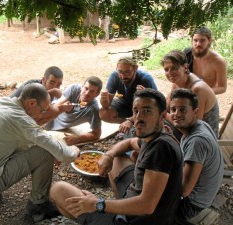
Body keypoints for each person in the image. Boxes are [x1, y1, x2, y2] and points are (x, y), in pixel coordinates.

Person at [50, 88, 183, 225]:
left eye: (147, 111)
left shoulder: (161, 148)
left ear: (162, 116)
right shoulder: (157, 135)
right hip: (139, 199)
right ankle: (116, 205)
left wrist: (98, 204)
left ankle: (102, 217)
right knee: (117, 157)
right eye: (136, 111)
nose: (139, 117)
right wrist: (109, 155)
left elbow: (147, 206)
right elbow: (130, 142)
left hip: (136, 219)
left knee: (58, 190)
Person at [0, 83, 80, 223]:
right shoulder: (20, 120)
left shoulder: (3, 102)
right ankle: (38, 205)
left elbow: (26, 140)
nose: (42, 114)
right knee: (44, 152)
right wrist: (73, 151)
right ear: (32, 103)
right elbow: (64, 154)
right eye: (42, 110)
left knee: (34, 146)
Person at [169, 88, 224, 223]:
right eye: (173, 109)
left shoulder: (197, 141)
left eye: (183, 109)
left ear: (195, 112)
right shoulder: (201, 124)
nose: (176, 114)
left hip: (193, 204)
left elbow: (183, 190)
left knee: (149, 210)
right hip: (205, 195)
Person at [161, 49, 219, 137]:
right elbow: (167, 107)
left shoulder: (198, 89)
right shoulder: (177, 83)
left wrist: (161, 113)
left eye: (174, 68)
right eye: (166, 69)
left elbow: (192, 125)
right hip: (184, 127)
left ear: (185, 67)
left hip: (201, 136)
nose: (170, 73)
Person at [99, 56, 157, 134]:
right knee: (103, 113)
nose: (123, 76)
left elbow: (156, 106)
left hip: (141, 108)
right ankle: (130, 124)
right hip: (124, 103)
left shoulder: (146, 79)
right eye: (120, 72)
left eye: (127, 72)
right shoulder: (115, 76)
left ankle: (134, 123)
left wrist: (146, 97)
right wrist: (104, 100)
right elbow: (105, 106)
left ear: (135, 68)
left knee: (149, 115)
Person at [44, 76, 102, 146]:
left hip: (60, 126)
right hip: (48, 112)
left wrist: (77, 138)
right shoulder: (74, 88)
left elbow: (97, 134)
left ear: (97, 94)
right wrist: (62, 108)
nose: (87, 93)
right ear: (82, 87)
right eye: (86, 88)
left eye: (92, 91)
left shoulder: (93, 110)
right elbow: (54, 107)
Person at [184, 27, 227, 95]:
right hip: (186, 97)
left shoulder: (218, 61)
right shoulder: (186, 55)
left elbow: (222, 87)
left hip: (207, 98)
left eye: (202, 40)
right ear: (192, 40)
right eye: (195, 40)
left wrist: (199, 93)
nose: (198, 44)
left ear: (209, 40)